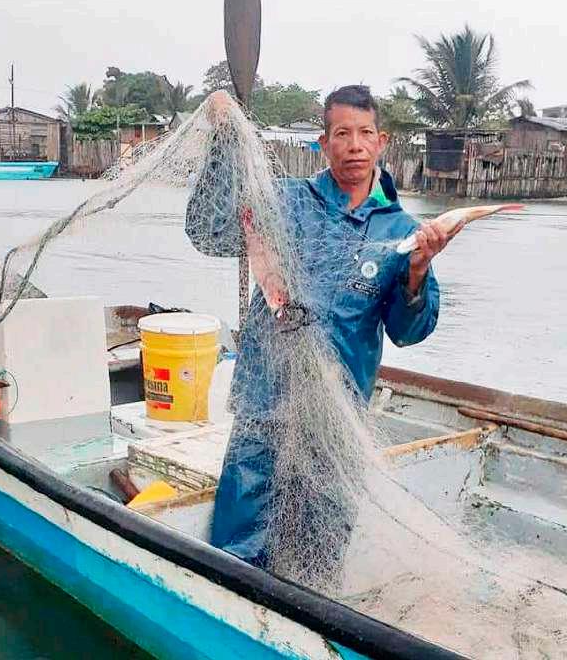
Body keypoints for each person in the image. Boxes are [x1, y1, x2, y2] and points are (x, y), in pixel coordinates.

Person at [186, 84, 458, 571]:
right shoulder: (285, 201)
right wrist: (226, 141)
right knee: (240, 540)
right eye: (342, 134)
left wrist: (417, 272)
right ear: (323, 143)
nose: (355, 146)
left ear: (381, 141)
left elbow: (408, 331)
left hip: (337, 411)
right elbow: (209, 232)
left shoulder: (402, 230)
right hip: (265, 399)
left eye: (365, 133)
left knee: (320, 546)